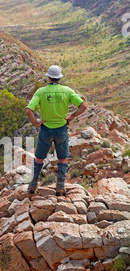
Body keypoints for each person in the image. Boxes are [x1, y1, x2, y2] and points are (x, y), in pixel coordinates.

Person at [26, 65, 87, 196]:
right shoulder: (67, 91)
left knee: (39, 158)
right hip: (61, 130)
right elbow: (83, 106)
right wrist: (71, 116)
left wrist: (36, 123)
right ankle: (60, 188)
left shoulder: (41, 92)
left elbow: (28, 110)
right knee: (62, 159)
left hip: (46, 130)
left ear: (48, 77)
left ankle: (32, 186)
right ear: (59, 78)